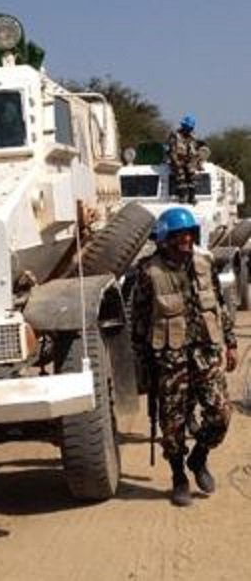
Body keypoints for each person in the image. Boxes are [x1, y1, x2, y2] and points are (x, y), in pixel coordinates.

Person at [131, 207, 237, 507]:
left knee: (221, 414)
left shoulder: (205, 264)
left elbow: (218, 306)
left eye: (190, 234)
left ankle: (199, 457)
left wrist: (230, 343)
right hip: (169, 362)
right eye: (179, 235)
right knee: (173, 426)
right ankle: (179, 476)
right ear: (165, 238)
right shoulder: (148, 272)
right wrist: (141, 365)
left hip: (206, 355)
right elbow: (138, 321)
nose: (186, 240)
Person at [167, 114, 201, 204]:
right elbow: (172, 151)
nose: (189, 130)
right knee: (180, 176)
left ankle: (192, 197)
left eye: (190, 128)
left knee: (192, 175)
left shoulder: (192, 136)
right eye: (188, 128)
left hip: (188, 160)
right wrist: (176, 162)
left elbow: (195, 151)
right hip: (177, 160)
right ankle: (182, 196)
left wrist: (197, 163)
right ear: (183, 126)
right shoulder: (175, 135)